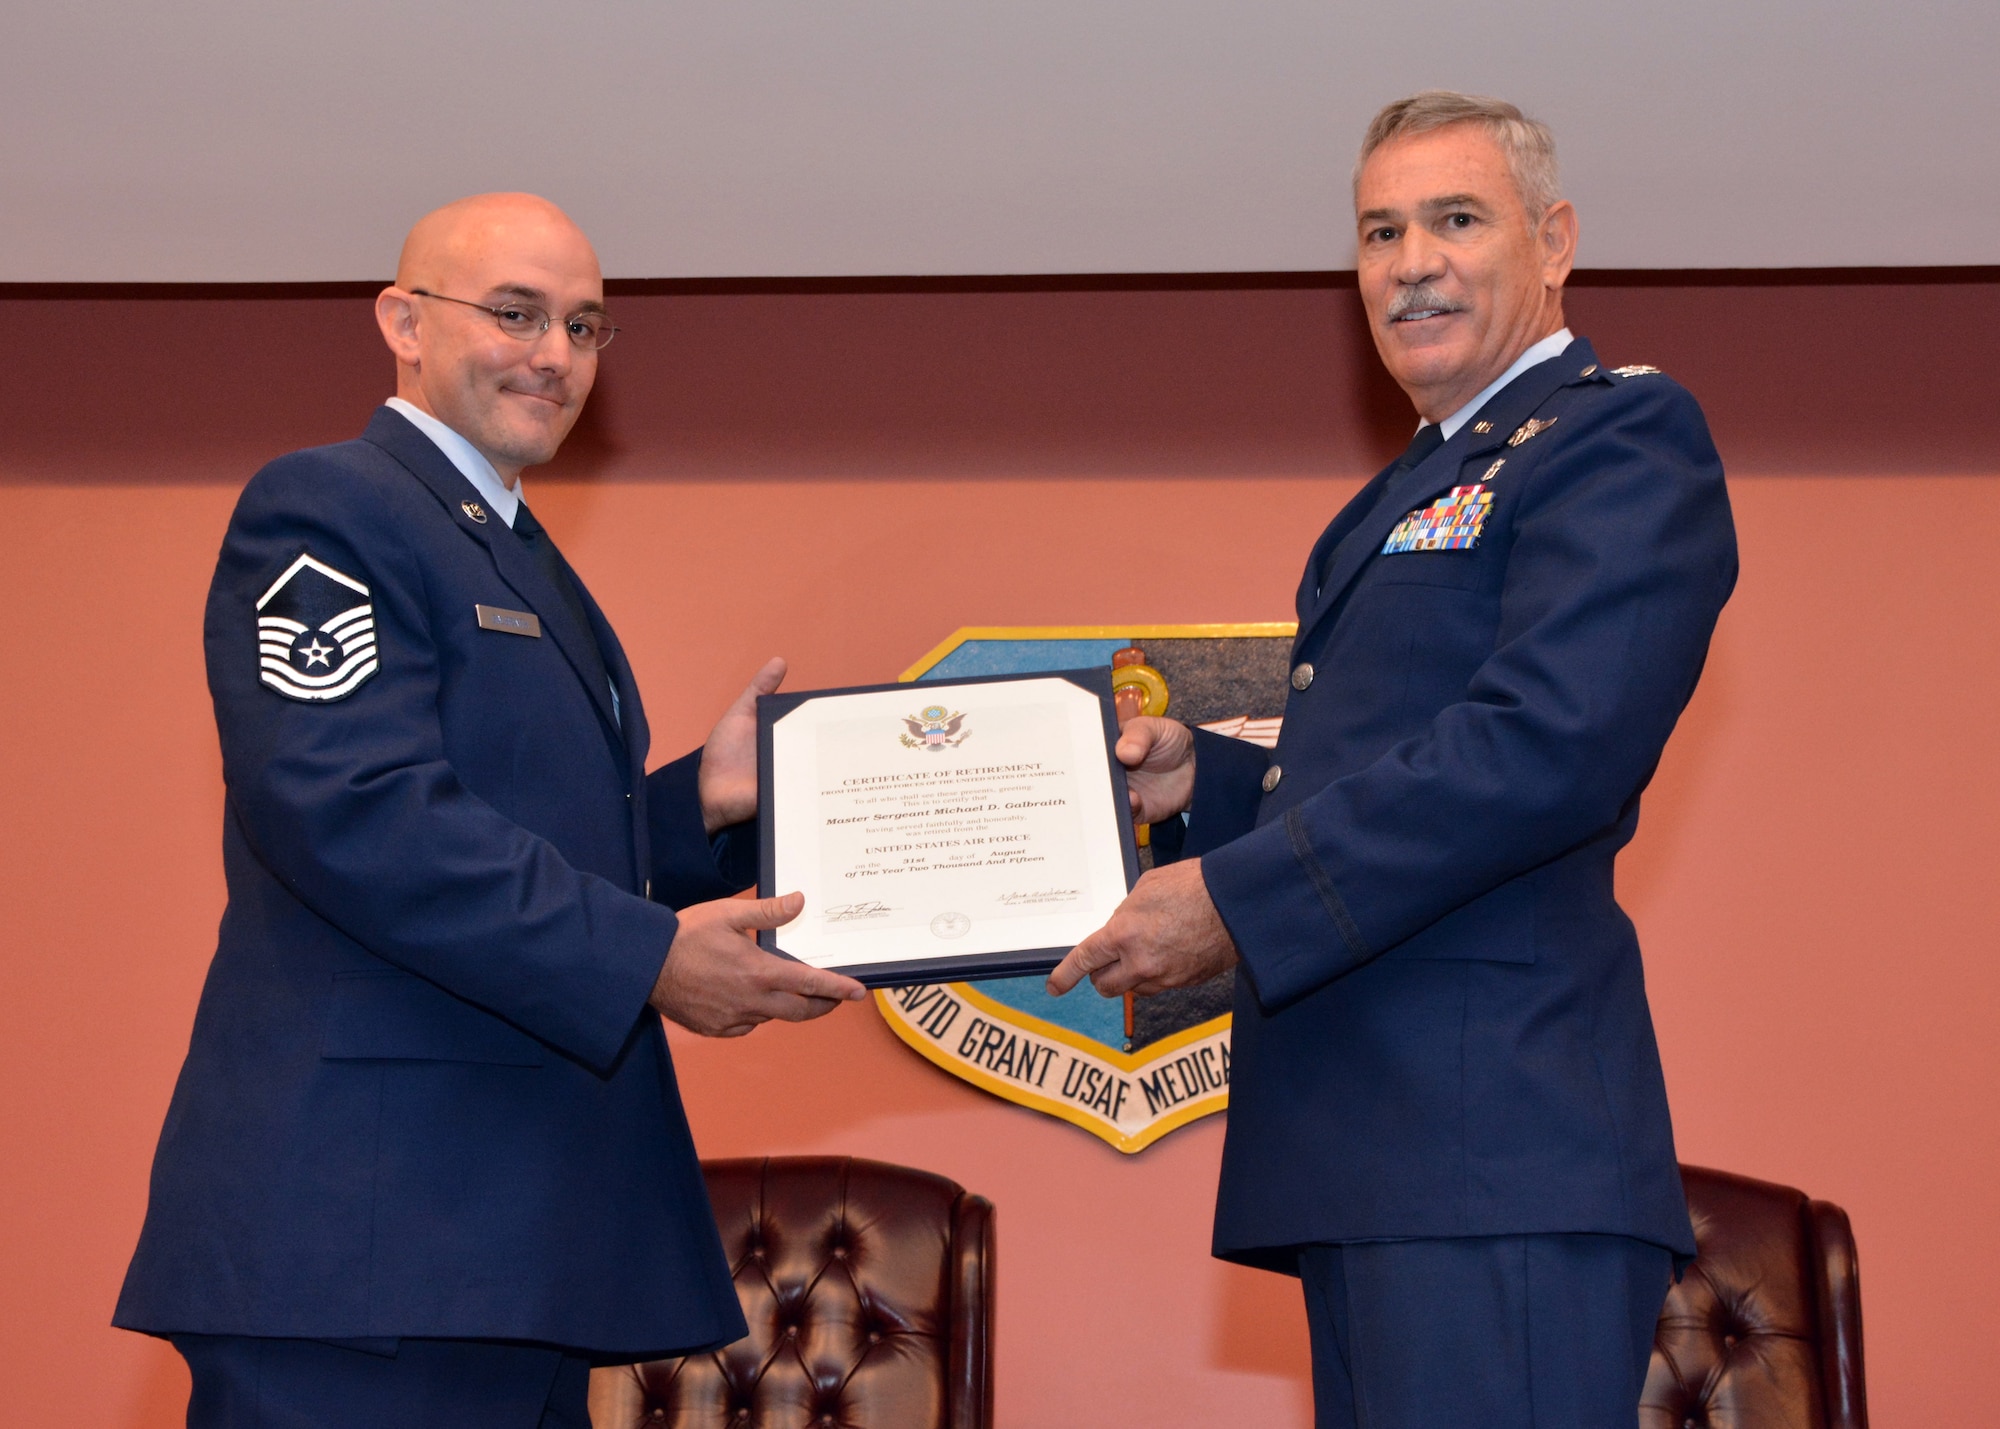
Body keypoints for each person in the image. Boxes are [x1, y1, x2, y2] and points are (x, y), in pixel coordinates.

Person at [113, 193, 868, 1427]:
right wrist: (647, 959)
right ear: (401, 321)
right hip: (364, 1244)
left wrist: (701, 804)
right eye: (514, 314)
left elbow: (528, 834)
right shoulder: (328, 506)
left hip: (508, 1238)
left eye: (584, 326)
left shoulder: (514, 553)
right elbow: (351, 810)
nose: (555, 355)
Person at [1050, 93, 1736, 1428]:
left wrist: (1238, 902)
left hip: (1495, 1154)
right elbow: (1379, 779)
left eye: (1455, 220)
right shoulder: (1397, 499)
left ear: (1556, 243)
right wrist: (1214, 788)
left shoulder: (1618, 441)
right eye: (1379, 231)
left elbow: (1549, 748)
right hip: (1380, 1155)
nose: (1409, 259)